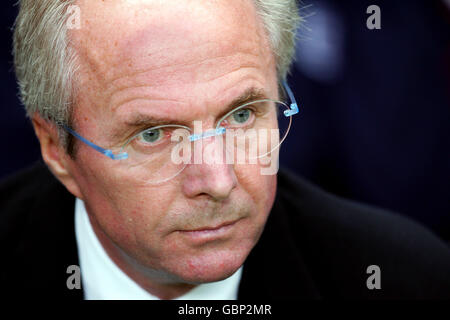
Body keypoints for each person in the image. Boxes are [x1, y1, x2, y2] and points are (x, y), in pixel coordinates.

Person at [1, 0, 449, 300]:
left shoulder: (406, 279)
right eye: (154, 135)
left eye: (241, 115)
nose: (217, 181)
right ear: (56, 148)